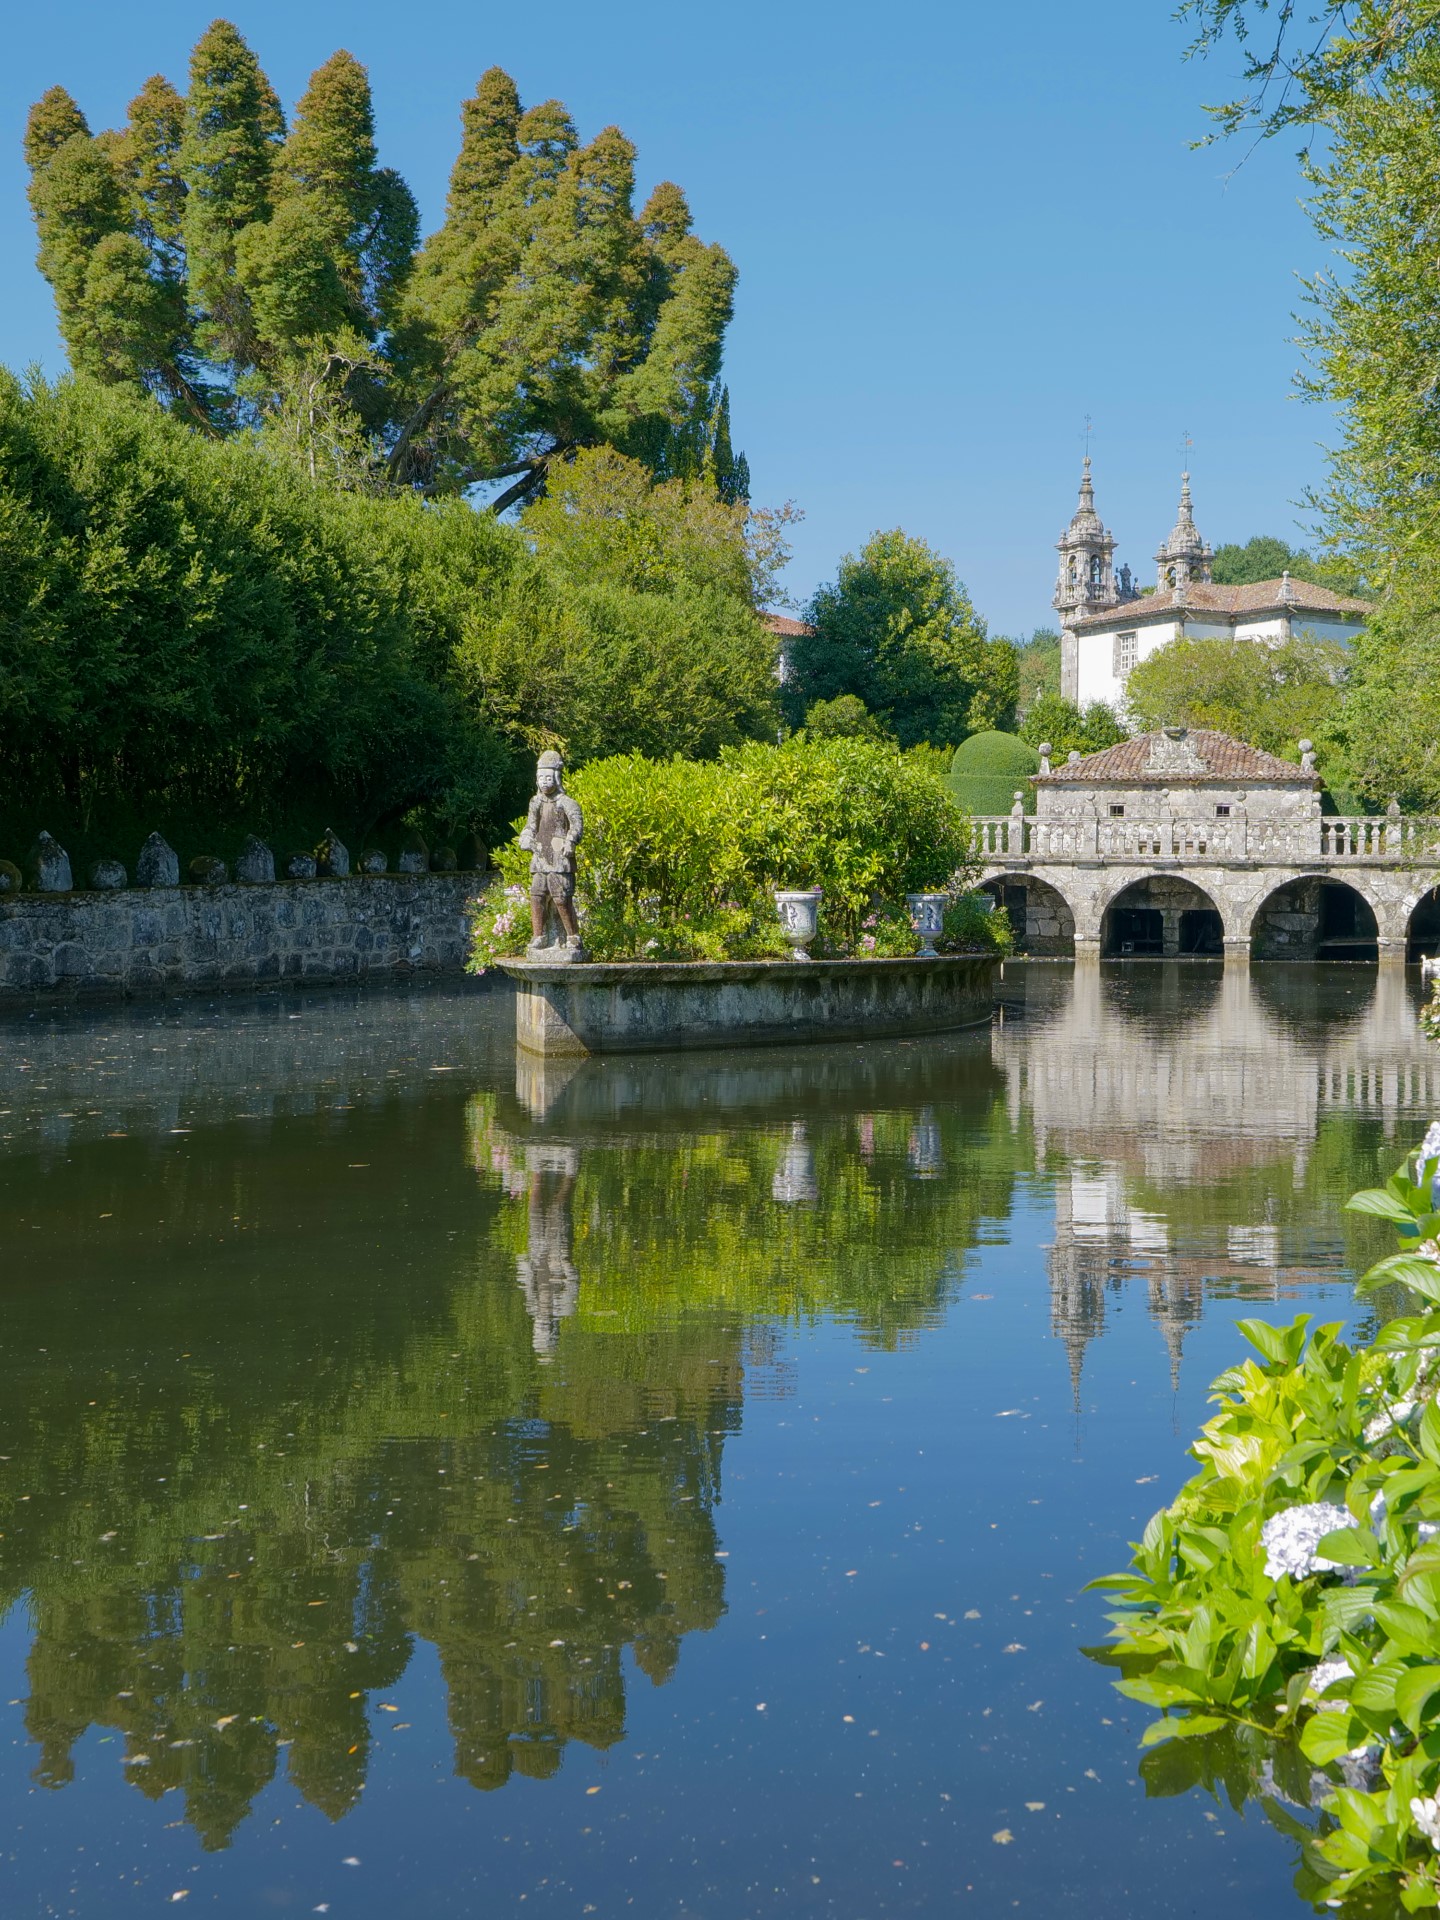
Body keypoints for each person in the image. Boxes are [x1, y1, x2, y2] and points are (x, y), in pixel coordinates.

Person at [519, 749, 585, 956]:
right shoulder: (535, 802)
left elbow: (577, 826)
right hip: (540, 854)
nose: (544, 782)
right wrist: (526, 837)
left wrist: (570, 841)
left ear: (556, 777)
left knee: (561, 897)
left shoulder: (567, 802)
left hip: (559, 856)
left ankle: (573, 936)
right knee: (537, 894)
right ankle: (539, 935)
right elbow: (530, 825)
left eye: (548, 777)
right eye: (541, 778)